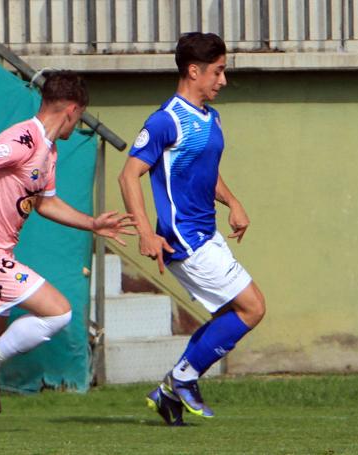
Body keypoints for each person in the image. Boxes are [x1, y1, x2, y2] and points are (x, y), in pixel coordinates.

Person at [0, 70, 135, 431]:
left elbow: (46, 204)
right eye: (79, 118)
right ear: (73, 110)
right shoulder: (24, 139)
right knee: (58, 313)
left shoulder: (49, 151)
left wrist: (93, 224)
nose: (77, 125)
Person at [118, 33, 265, 426]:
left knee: (235, 312)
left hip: (207, 233)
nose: (223, 81)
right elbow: (129, 175)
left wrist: (232, 203)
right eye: (218, 72)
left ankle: (169, 391)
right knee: (252, 307)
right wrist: (146, 232)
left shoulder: (210, 117)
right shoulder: (165, 120)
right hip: (185, 236)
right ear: (193, 70)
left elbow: (206, 172)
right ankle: (181, 379)